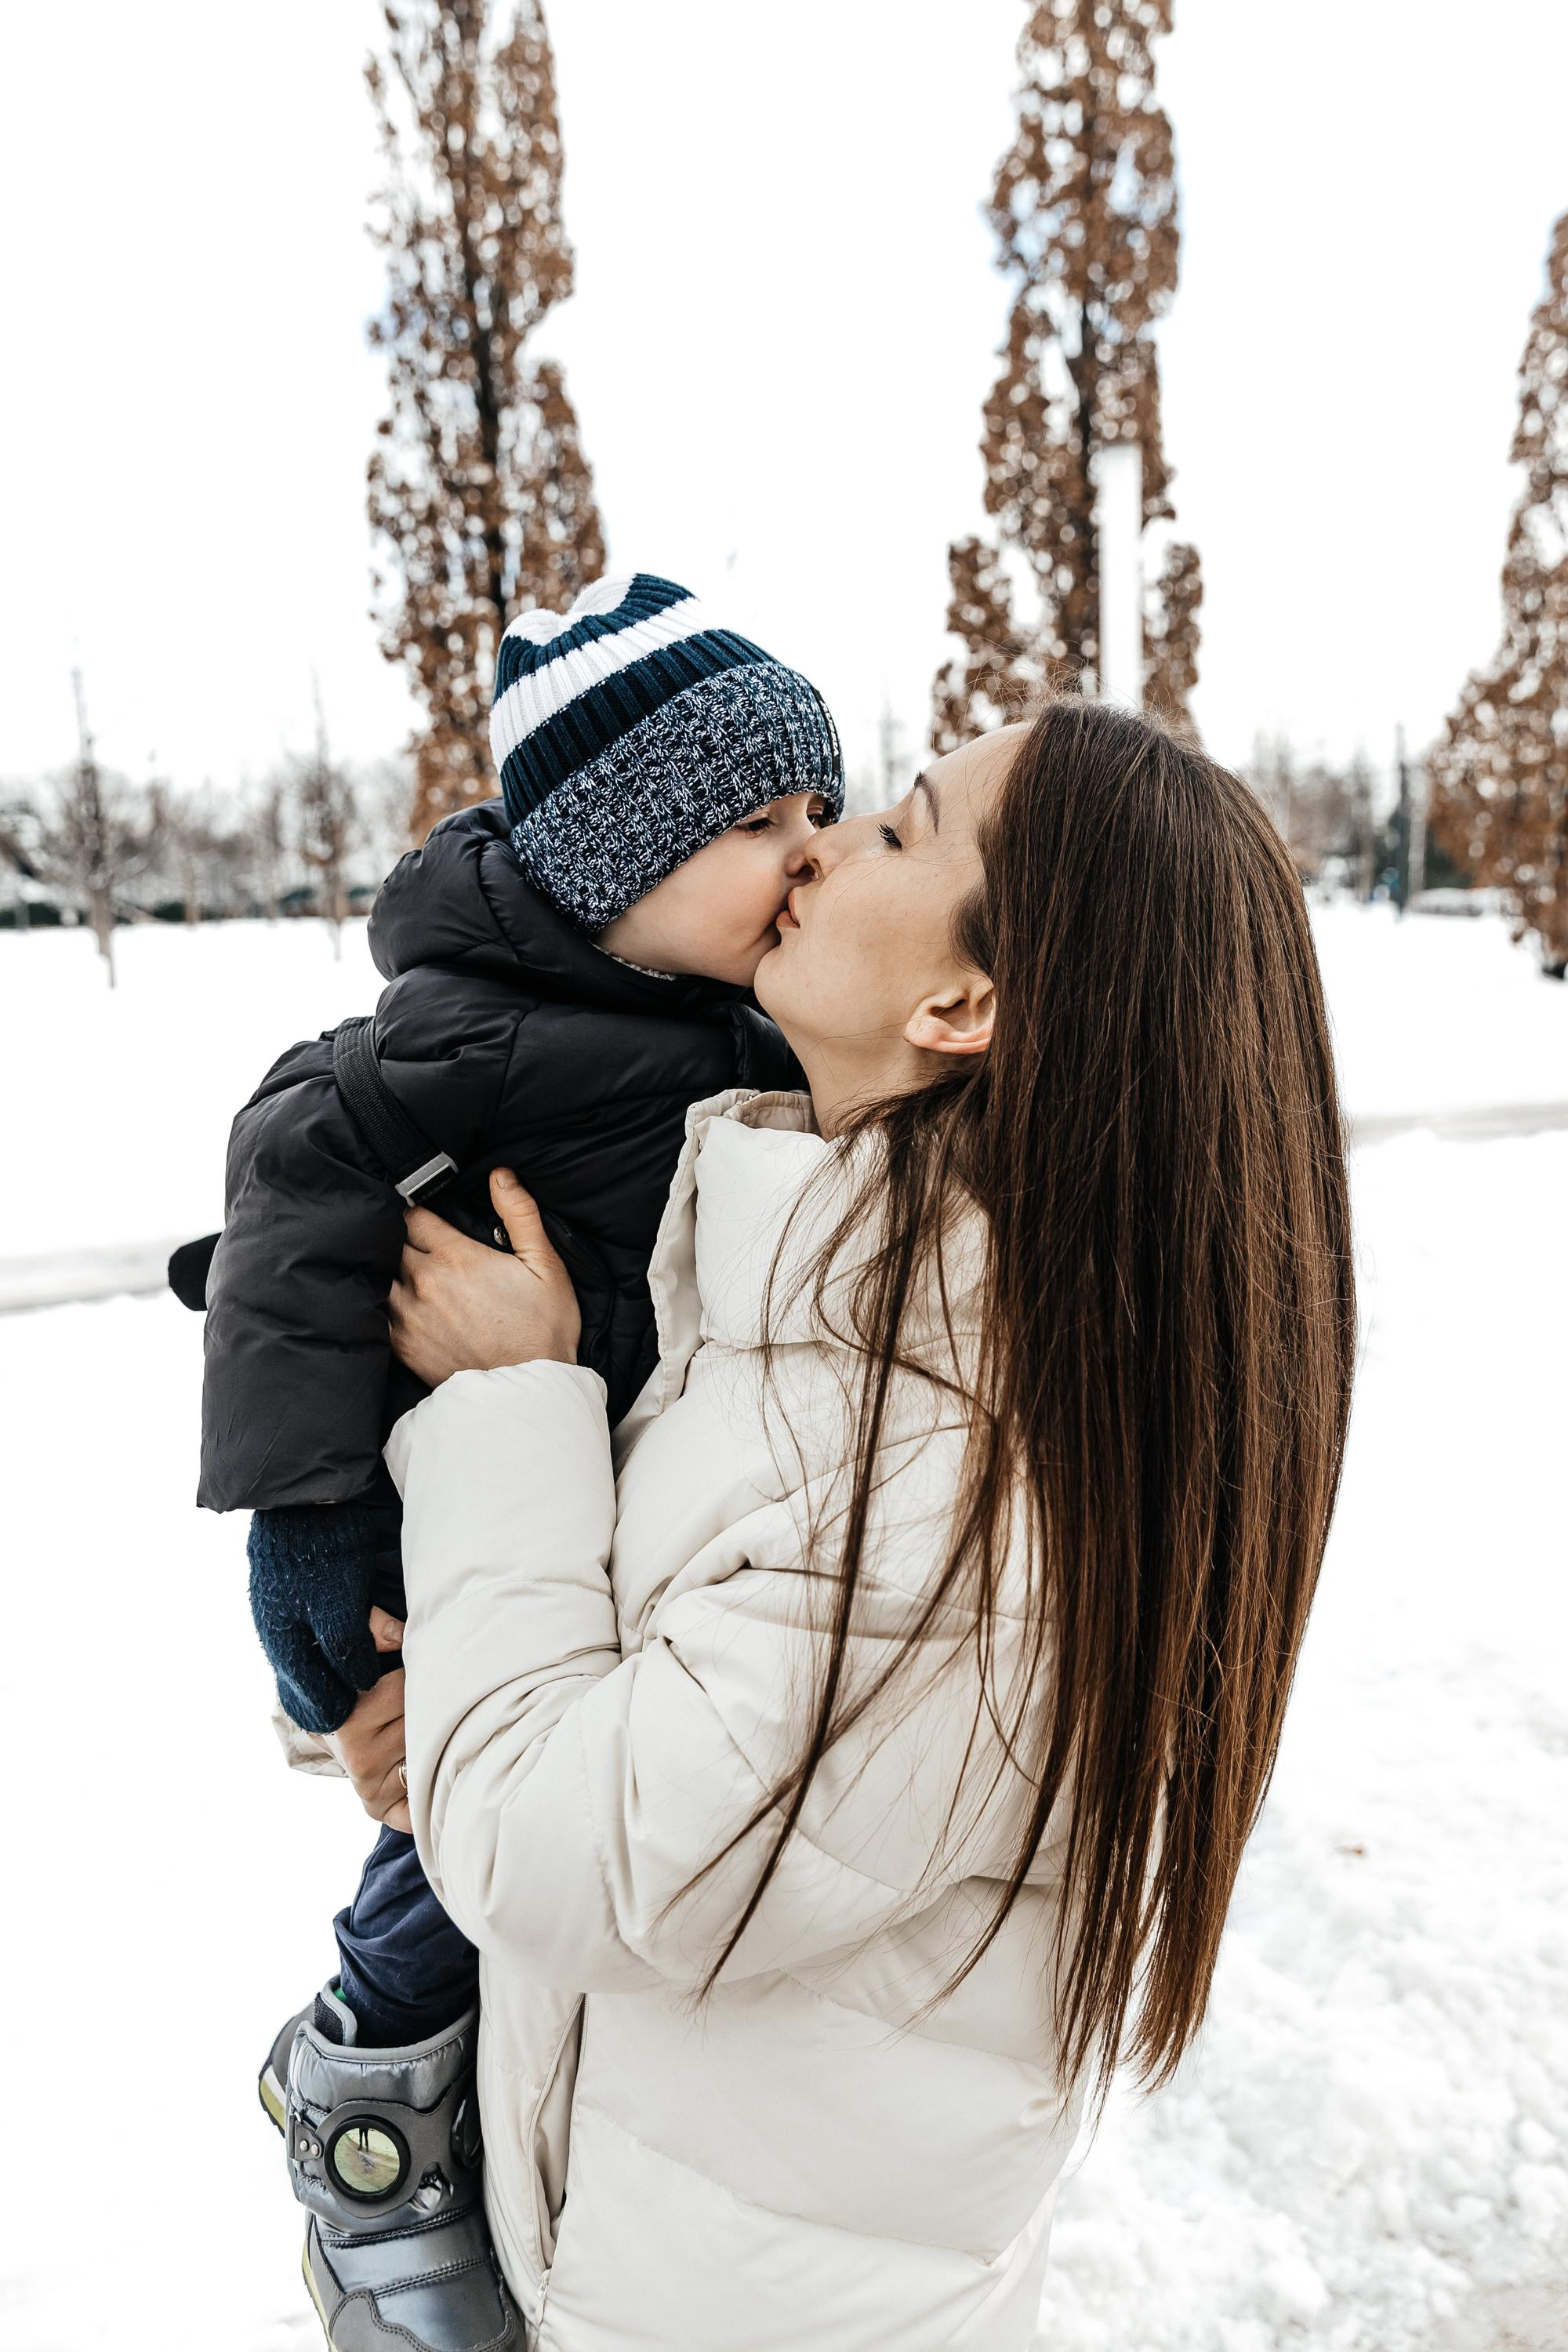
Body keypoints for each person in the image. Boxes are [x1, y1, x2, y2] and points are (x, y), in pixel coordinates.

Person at [350, 699, 1356, 2351]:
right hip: (666, 2253)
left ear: (963, 1003)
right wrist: (444, 1693)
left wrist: (505, 1407)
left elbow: (566, 1855)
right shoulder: (831, 1306)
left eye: (894, 826)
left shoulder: (963, 1471)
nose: (811, 847)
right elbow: (622, 1685)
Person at [194, 574, 843, 2351]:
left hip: (616, 1518)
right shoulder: (466, 1032)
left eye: (820, 810)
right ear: (607, 862)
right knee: (451, 1860)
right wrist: (314, 1560)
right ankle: (359, 2088)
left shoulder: (765, 1018)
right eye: (749, 822)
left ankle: (475, 2124)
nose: (807, 853)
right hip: (446, 1516)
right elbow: (287, 1199)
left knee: (544, 1875)